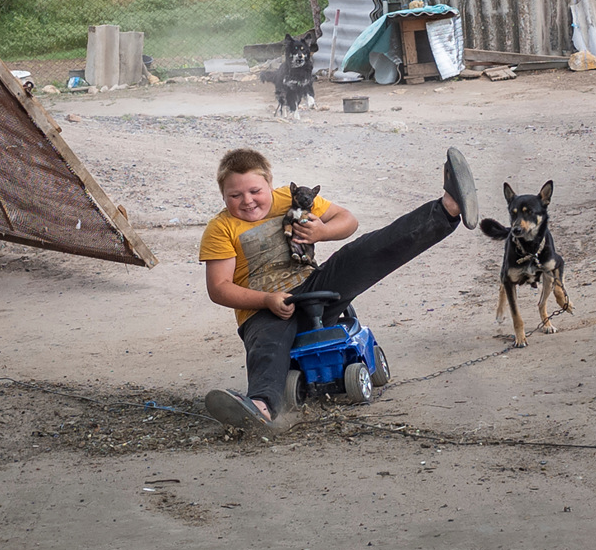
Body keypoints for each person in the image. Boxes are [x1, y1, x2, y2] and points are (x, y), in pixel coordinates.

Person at [197, 146, 478, 428]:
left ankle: (448, 208)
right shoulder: (221, 228)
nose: (247, 201)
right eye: (235, 195)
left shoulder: (291, 198)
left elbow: (348, 221)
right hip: (263, 311)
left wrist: (323, 231)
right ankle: (260, 407)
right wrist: (267, 300)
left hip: (314, 292)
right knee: (268, 346)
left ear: (270, 184)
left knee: (362, 252)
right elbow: (219, 288)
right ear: (223, 195)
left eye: (255, 191)